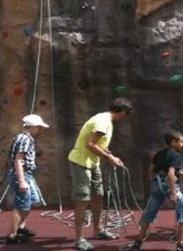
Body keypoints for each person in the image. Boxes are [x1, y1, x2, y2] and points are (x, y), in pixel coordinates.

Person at [68, 97, 133, 251]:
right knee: (83, 199)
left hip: (93, 163)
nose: (125, 117)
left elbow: (100, 144)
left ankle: (98, 230)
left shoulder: (106, 121)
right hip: (80, 162)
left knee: (98, 195)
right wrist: (109, 158)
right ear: (122, 112)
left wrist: (111, 155)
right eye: (126, 114)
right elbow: (90, 144)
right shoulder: (103, 121)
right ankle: (79, 239)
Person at [130, 130, 183, 251]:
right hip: (169, 186)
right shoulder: (176, 155)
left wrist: (156, 182)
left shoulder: (159, 154)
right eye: (181, 141)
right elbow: (170, 174)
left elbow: (151, 170)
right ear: (173, 142)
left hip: (157, 185)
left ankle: (138, 241)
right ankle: (181, 245)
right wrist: (173, 192)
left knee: (149, 213)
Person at [5, 113, 50, 244]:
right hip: (22, 175)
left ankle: (21, 227)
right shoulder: (25, 139)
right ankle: (12, 235)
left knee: (30, 201)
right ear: (33, 127)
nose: (40, 130)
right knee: (20, 205)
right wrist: (22, 180)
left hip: (27, 174)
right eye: (39, 127)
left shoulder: (25, 138)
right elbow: (18, 160)